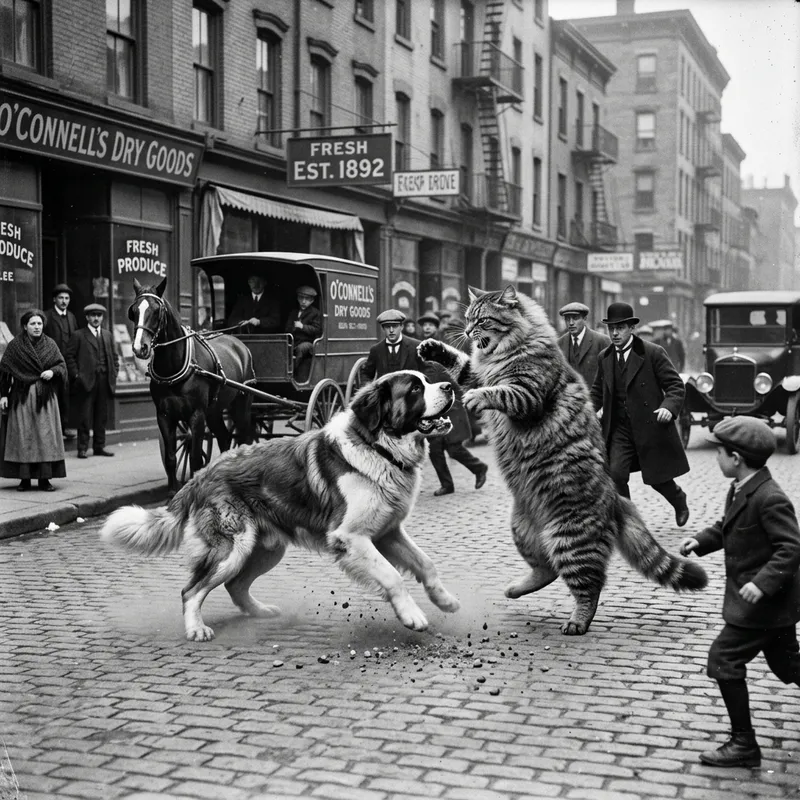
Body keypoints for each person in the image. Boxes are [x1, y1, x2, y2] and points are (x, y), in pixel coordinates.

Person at [680, 417, 800, 768]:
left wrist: (761, 584)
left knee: (723, 659)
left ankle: (744, 744)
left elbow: (791, 548)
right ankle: (743, 743)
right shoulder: (743, 487)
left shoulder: (769, 497)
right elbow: (727, 527)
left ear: (736, 458)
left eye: (719, 452)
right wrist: (701, 541)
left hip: (762, 605)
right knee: (787, 666)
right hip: (771, 609)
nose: (715, 457)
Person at [590, 302, 690, 527]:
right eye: (611, 328)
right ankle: (629, 523)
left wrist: (668, 407)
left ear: (631, 328)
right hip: (619, 428)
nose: (615, 333)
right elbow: (597, 391)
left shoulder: (652, 352)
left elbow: (675, 385)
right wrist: (591, 410)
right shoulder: (605, 357)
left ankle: (679, 500)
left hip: (649, 426)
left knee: (658, 479)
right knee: (616, 474)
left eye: (620, 328)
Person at [418, 315, 488, 496]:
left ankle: (479, 468)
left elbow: (456, 374)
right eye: (424, 325)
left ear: (436, 327)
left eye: (430, 325)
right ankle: (447, 484)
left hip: (452, 404)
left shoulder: (444, 345)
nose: (427, 328)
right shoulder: (420, 347)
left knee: (454, 448)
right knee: (435, 450)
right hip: (434, 405)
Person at [0, 309, 67, 491]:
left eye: (39, 324)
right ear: (25, 326)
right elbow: (5, 371)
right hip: (21, 397)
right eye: (33, 324)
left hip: (45, 398)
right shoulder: (15, 346)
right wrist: (4, 395)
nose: (37, 327)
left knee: (45, 437)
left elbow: (61, 365)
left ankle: (45, 479)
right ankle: (25, 479)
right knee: (23, 437)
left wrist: (52, 372)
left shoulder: (50, 344)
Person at [65, 303, 119, 459]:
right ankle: (82, 448)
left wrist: (114, 372)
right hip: (86, 381)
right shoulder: (79, 335)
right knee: (85, 416)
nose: (96, 318)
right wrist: (77, 375)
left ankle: (99, 446)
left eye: (99, 315)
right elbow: (69, 357)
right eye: (93, 315)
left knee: (101, 416)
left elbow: (114, 357)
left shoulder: (108, 335)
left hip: (105, 380)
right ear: (87, 317)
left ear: (102, 317)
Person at [44, 283, 78, 440]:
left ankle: (65, 428)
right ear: (54, 300)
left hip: (68, 366)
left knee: (66, 398)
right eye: (61, 298)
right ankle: (54, 431)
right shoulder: (47, 317)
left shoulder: (71, 317)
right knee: (53, 398)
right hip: (51, 365)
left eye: (67, 298)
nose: (64, 301)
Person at [556, 302, 611, 389]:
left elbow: (611, 376)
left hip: (595, 400)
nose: (571, 323)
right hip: (570, 400)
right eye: (567, 319)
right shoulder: (559, 344)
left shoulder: (602, 341)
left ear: (585, 319)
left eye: (575, 318)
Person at [362, 309, 425, 380]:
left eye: (395, 326)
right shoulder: (376, 349)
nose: (391, 330)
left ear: (401, 327)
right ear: (383, 328)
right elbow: (367, 375)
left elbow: (426, 371)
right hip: (384, 390)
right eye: (387, 327)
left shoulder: (416, 346)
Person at [284, 285, 322, 382]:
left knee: (301, 348)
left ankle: (292, 373)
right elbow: (287, 328)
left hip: (309, 343)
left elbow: (317, 330)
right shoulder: (294, 312)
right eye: (301, 298)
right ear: (298, 298)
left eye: (307, 299)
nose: (303, 301)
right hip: (294, 341)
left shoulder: (315, 313)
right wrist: (292, 328)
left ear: (312, 301)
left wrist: (302, 327)